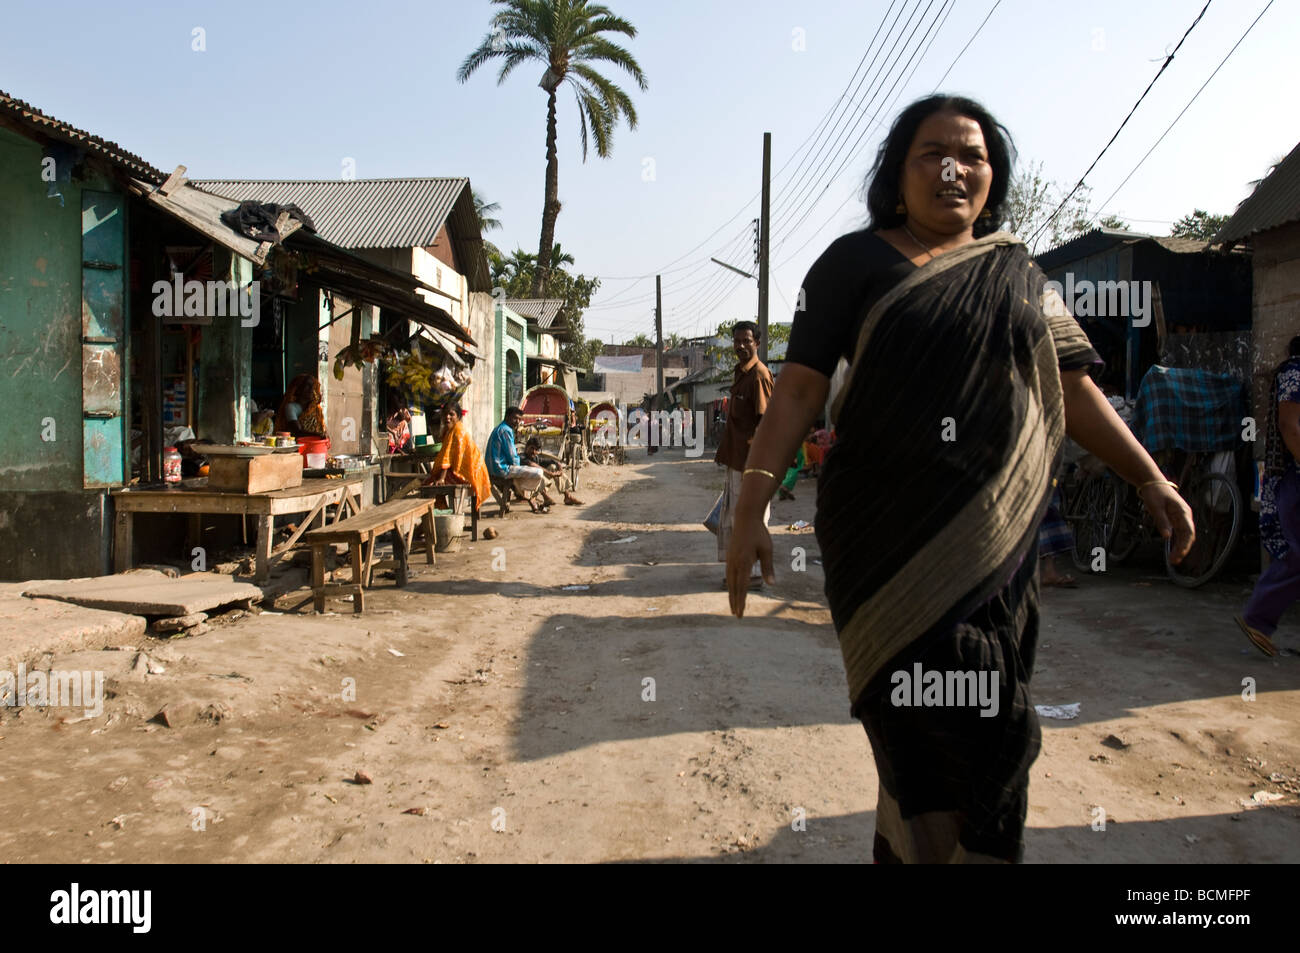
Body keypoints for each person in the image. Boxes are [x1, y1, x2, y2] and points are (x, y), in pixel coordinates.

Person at [724, 94, 1194, 864]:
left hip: (993, 549)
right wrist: (752, 500)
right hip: (882, 546)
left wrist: (1149, 477)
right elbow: (802, 388)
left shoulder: (1018, 273)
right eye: (931, 154)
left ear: (992, 173)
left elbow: (1071, 390)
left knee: (990, 726)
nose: (953, 169)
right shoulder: (852, 263)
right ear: (898, 175)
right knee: (924, 735)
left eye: (971, 155)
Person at [1237, 335, 1300, 657]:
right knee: (1296, 552)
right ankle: (1258, 618)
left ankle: (1259, 618)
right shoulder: (1295, 372)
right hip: (1293, 475)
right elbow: (1289, 425)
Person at [714, 321, 775, 588]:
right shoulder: (741, 374)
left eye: (746, 341)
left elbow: (766, 424)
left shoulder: (759, 376)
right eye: (737, 341)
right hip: (737, 461)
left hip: (751, 464)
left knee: (750, 517)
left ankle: (749, 575)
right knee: (735, 517)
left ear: (757, 343)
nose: (740, 346)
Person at [427, 403, 492, 515]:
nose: (447, 417)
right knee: (431, 481)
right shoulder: (450, 431)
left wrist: (442, 478)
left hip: (471, 474)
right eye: (445, 414)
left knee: (430, 484)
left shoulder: (458, 431)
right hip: (467, 471)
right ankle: (440, 515)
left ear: (458, 417)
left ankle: (440, 516)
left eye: (451, 414)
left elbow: (447, 458)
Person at [485, 407, 549, 515]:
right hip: (501, 469)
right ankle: (529, 497)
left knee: (522, 473)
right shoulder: (506, 430)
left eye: (519, 419)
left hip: (493, 468)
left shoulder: (499, 428)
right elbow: (513, 458)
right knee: (539, 472)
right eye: (515, 418)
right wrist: (520, 464)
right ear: (507, 417)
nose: (517, 422)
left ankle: (530, 499)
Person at [522, 437, 564, 511]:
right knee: (537, 472)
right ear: (526, 447)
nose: (534, 451)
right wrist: (550, 473)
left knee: (553, 466)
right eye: (532, 448)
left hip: (534, 487)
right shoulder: (521, 457)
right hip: (524, 488)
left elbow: (547, 461)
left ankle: (567, 495)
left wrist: (558, 464)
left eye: (536, 450)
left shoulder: (535, 458)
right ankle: (545, 496)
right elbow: (533, 465)